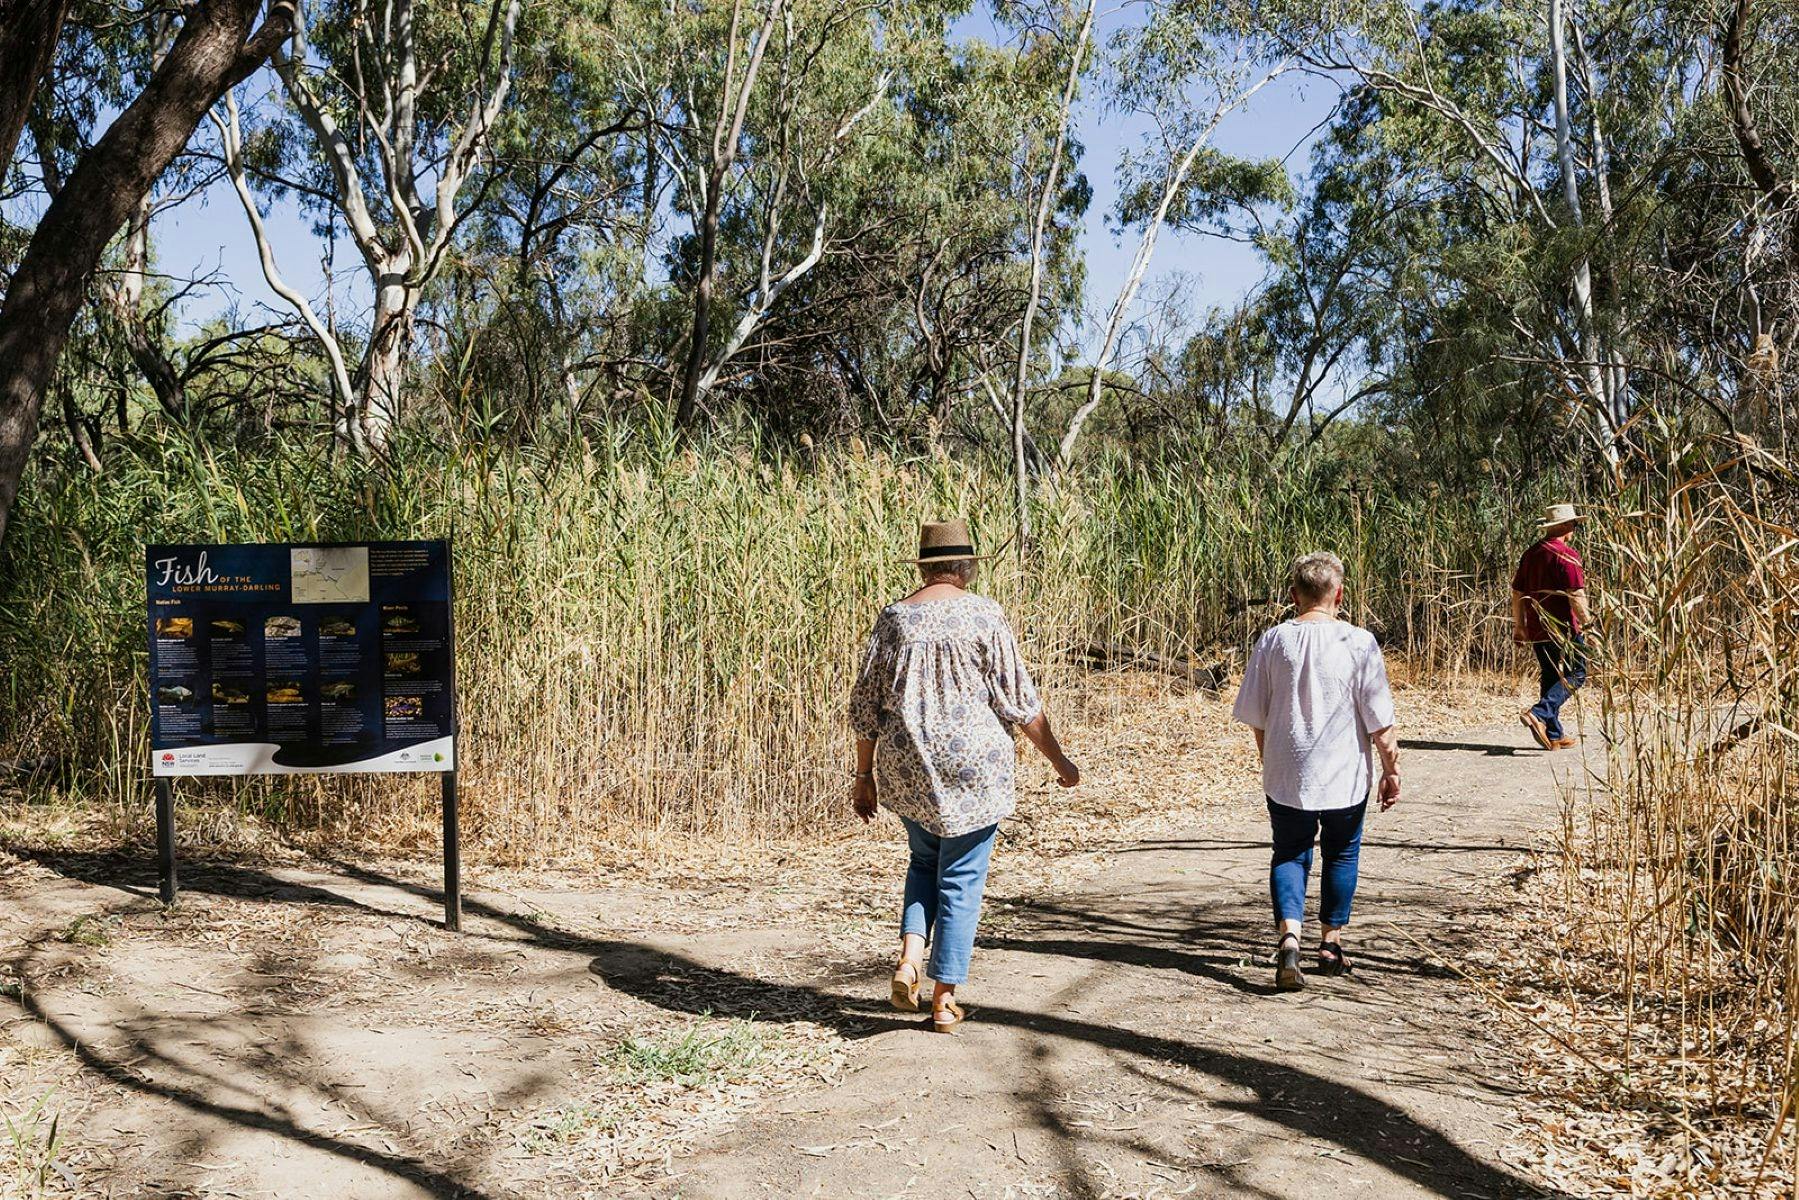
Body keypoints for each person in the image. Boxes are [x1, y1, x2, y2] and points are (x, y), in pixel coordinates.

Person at [848, 519, 1079, 1032]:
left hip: (909, 770)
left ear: (924, 567)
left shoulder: (893, 619)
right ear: (965, 567)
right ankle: (944, 997)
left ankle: (909, 958)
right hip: (975, 771)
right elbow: (1019, 702)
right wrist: (1059, 761)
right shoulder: (984, 615)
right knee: (962, 878)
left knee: (924, 863)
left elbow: (865, 707)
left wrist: (863, 774)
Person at [1232, 551, 1400, 991]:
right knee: (1342, 853)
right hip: (1345, 775)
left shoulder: (1272, 641)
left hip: (1288, 772)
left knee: (1290, 853)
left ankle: (1290, 938)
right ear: (1339, 595)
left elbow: (1257, 716)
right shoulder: (1359, 643)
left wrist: (1269, 760)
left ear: (1294, 596)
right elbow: (1380, 722)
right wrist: (1391, 769)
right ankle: (1330, 944)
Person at [1511, 503, 1591, 750]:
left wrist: (1520, 625)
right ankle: (1539, 712)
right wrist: (1590, 624)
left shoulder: (1531, 553)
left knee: (1550, 675)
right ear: (1565, 526)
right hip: (1563, 628)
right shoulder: (1566, 555)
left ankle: (1554, 733)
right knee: (1577, 673)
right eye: (1574, 524)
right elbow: (1575, 594)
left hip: (1537, 626)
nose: (1574, 529)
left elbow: (1517, 592)